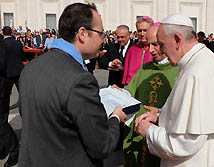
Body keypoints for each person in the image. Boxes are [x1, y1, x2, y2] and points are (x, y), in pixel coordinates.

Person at [18, 3, 127, 167]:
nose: (103, 39)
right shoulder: (80, 79)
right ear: (82, 33)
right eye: (101, 33)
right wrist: (115, 118)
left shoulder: (32, 66)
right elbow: (102, 145)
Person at [135, 14, 214, 167]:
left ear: (177, 40)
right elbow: (189, 115)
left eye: (162, 44)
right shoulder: (200, 59)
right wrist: (161, 116)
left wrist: (150, 131)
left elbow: (185, 143)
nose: (162, 51)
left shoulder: (197, 72)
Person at [113, 23, 179, 167]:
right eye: (149, 45)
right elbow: (130, 91)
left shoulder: (179, 70)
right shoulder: (145, 68)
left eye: (155, 44)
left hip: (160, 135)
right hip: (138, 130)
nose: (150, 50)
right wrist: (119, 92)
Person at [0, 26, 23, 167]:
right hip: (18, 71)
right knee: (23, 94)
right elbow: (21, 55)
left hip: (7, 74)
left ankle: (12, 148)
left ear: (3, 32)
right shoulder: (16, 42)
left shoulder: (4, 44)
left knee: (2, 117)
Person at [122, 16, 154, 85]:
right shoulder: (132, 49)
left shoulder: (157, 49)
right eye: (139, 31)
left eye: (145, 30)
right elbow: (126, 73)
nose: (142, 34)